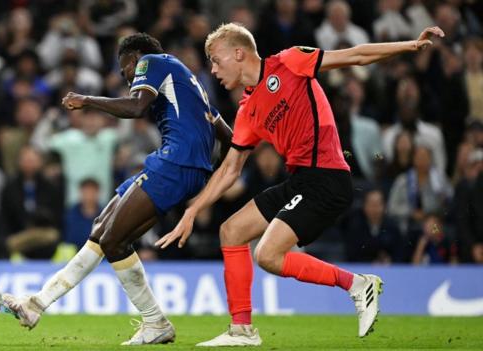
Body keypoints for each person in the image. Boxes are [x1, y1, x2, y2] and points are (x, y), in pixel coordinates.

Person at [155, 23, 445, 346]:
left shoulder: (290, 62)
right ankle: (242, 331)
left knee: (266, 254)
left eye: (215, 59)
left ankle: (357, 284)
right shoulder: (247, 110)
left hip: (328, 177)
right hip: (300, 180)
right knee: (231, 232)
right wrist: (193, 210)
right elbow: (229, 169)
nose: (213, 69)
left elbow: (355, 56)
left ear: (238, 53)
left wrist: (409, 46)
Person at [3, 33, 233, 345]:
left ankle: (155, 322)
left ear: (135, 56)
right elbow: (229, 135)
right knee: (102, 231)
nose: (127, 78)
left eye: (125, 69)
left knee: (113, 240)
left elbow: (137, 107)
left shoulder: (152, 62)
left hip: (175, 163)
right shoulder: (190, 83)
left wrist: (88, 100)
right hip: (181, 166)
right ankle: (36, 305)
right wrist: (213, 167)